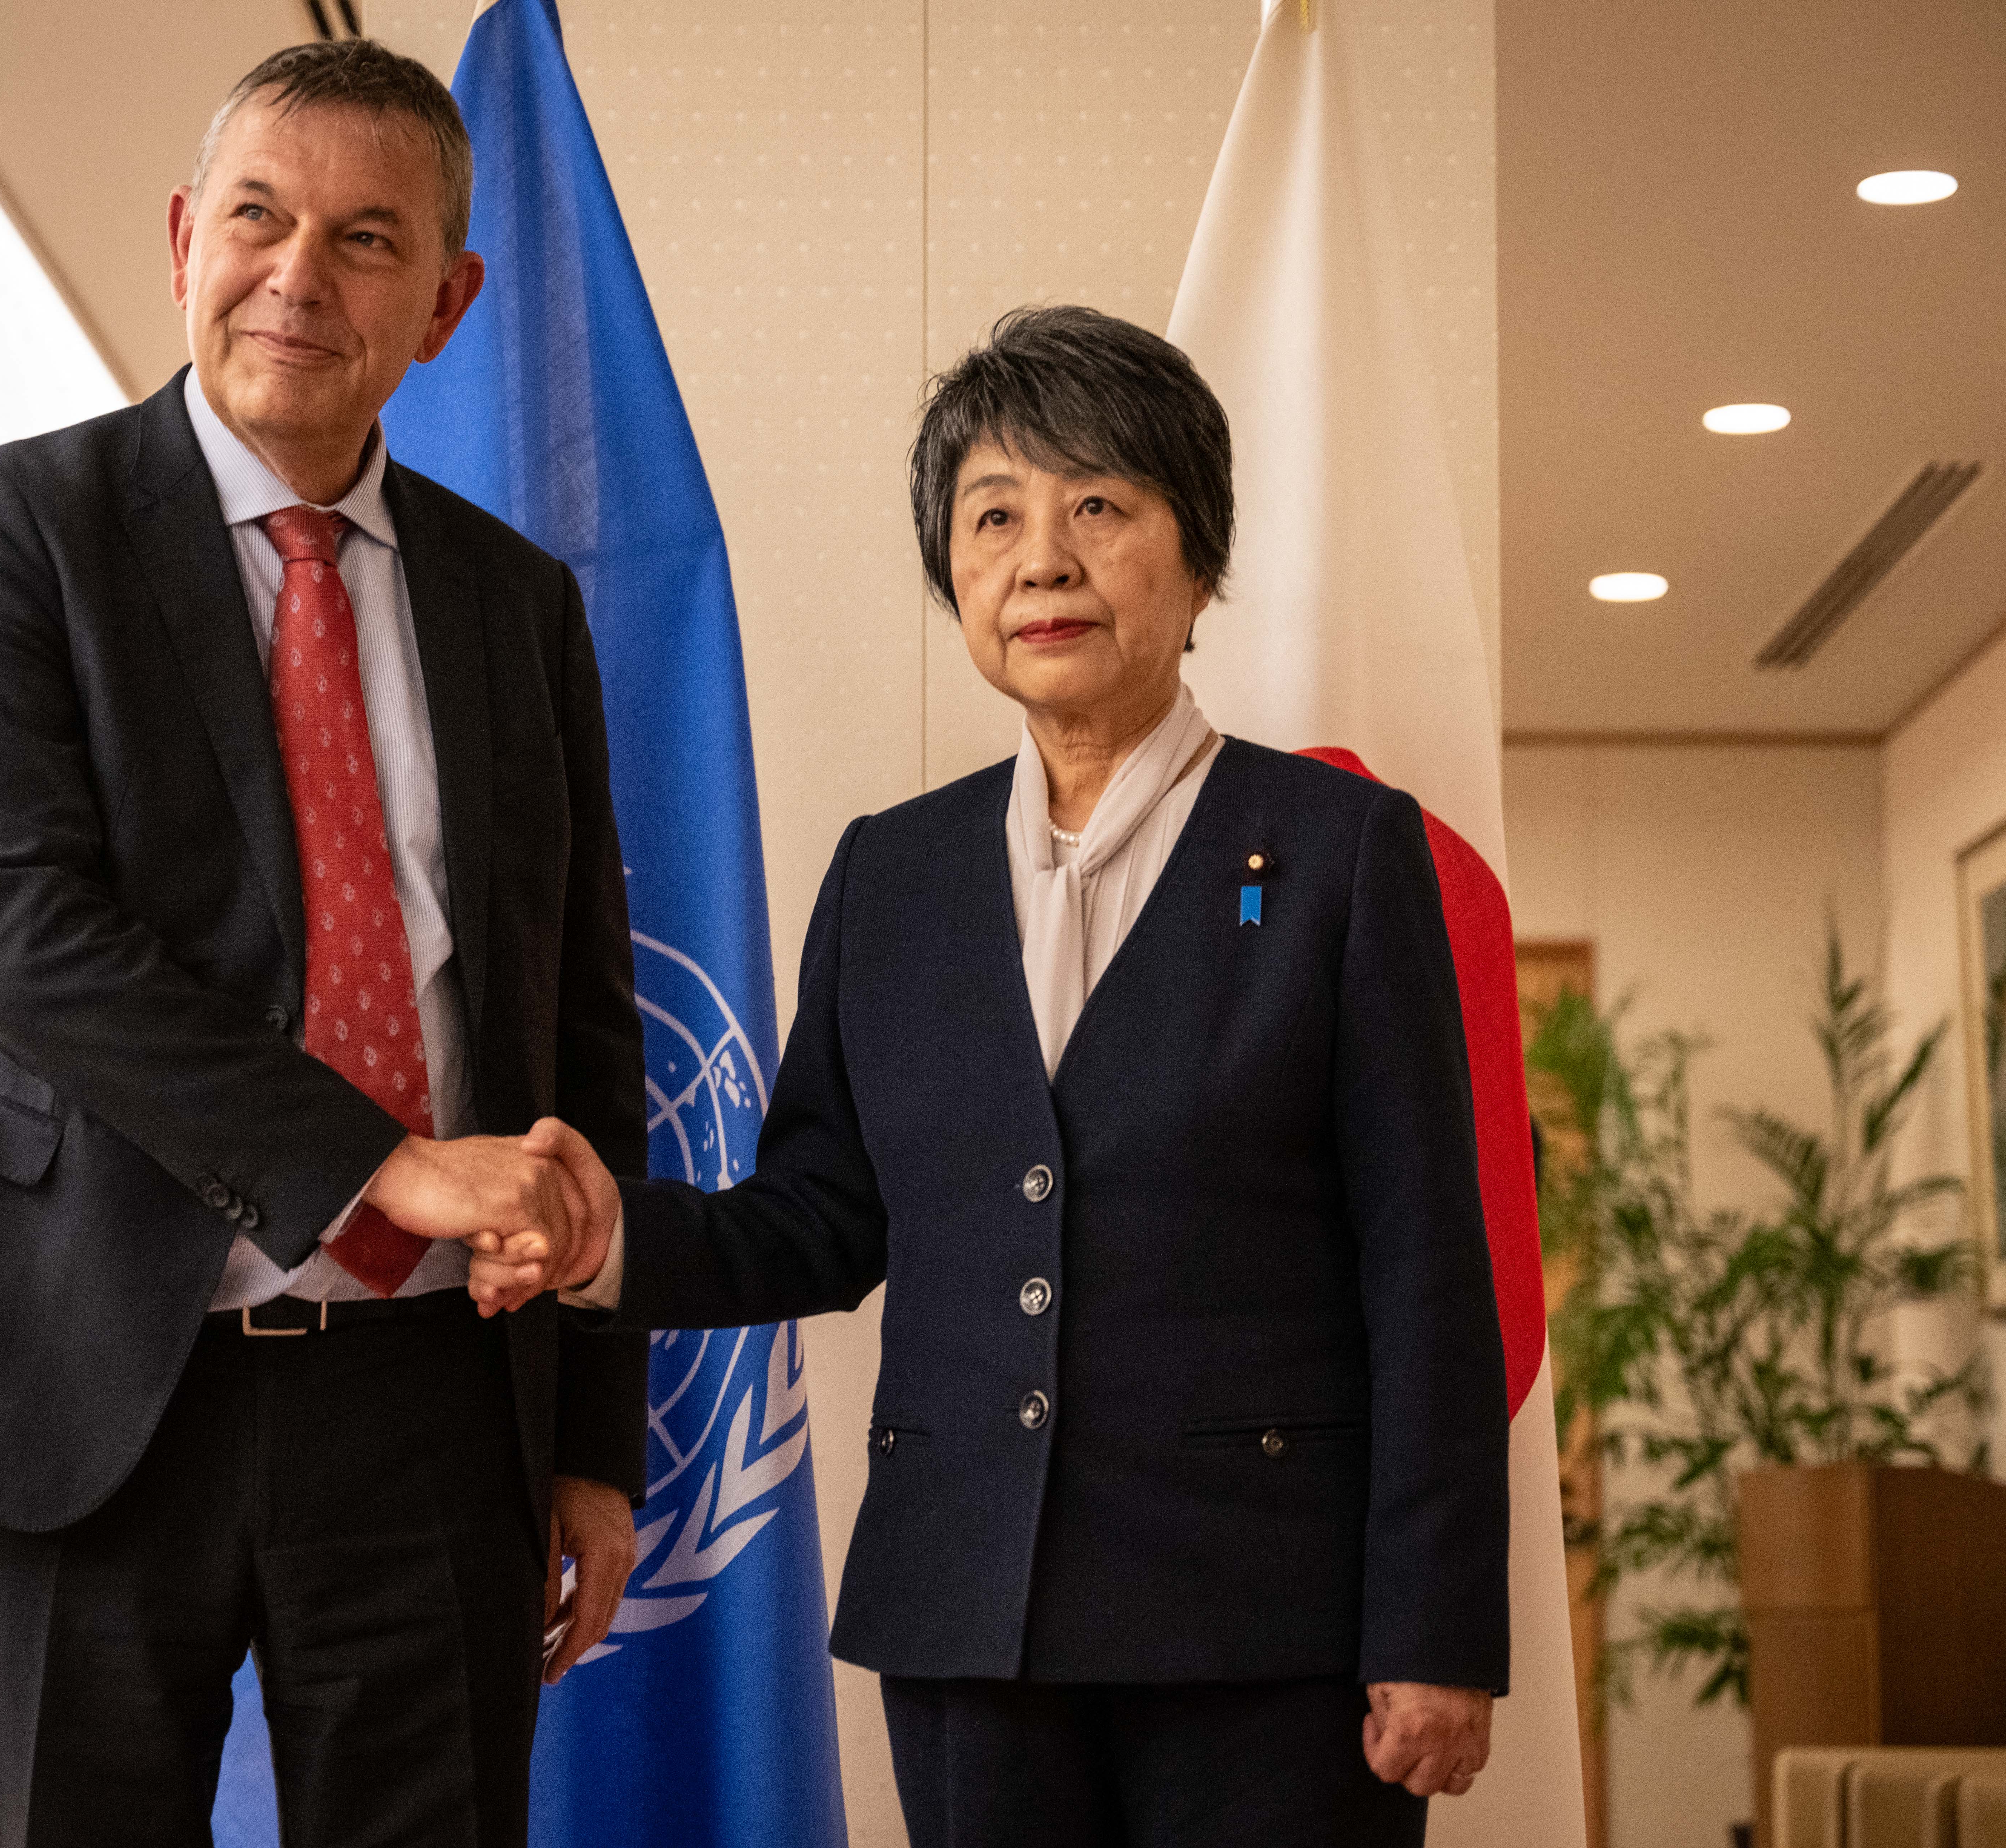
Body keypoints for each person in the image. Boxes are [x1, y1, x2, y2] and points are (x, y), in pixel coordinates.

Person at [466, 305, 1511, 1846]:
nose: (1044, 561)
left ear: (1200, 556)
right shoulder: (895, 874)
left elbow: (1429, 1264)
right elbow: (821, 1217)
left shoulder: (1349, 857)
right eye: (995, 518)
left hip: (1265, 1626)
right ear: (954, 573)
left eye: (1101, 507)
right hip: (968, 1613)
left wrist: (1433, 1630)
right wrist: (608, 1238)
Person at [0, 40, 645, 1848]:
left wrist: (591, 1435)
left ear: (447, 301)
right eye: (258, 217)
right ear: (186, 237)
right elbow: (25, 940)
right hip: (85, 1373)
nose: (298, 276)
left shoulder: (521, 603)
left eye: (366, 239)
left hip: (428, 1404)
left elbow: (581, 1028)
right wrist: (384, 1166)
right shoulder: (13, 529)